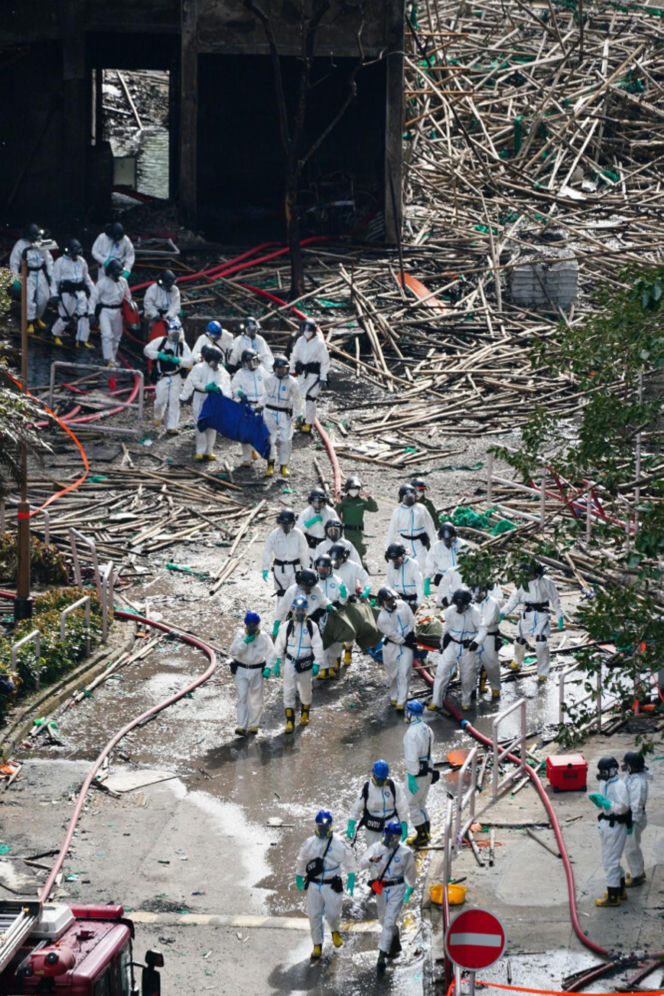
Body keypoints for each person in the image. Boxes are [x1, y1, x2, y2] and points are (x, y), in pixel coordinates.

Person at [295, 810, 357, 960]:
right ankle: (317, 945)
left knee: (333, 912)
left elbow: (349, 858)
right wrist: (299, 875)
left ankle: (335, 931)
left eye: (326, 827)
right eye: (320, 826)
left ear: (331, 826)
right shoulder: (310, 843)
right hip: (314, 885)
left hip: (331, 883)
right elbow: (302, 859)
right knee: (314, 915)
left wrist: (351, 876)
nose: (323, 829)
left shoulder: (339, 842)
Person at [360, 820, 416, 975]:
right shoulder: (376, 848)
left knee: (389, 921)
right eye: (389, 836)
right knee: (384, 921)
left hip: (397, 888)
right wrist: (371, 860)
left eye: (394, 837)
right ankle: (394, 942)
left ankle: (381, 956)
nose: (390, 840)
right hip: (381, 889)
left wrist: (410, 888)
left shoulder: (405, 852)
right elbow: (361, 863)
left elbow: (411, 872)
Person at [501, 559, 563, 681]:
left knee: (541, 643)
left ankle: (542, 672)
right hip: (527, 614)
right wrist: (502, 614)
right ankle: (517, 660)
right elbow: (512, 601)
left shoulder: (546, 583)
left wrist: (559, 615)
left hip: (542, 614)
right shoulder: (521, 584)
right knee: (519, 640)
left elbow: (555, 599)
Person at [273, 596, 324, 732]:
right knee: (288, 691)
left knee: (306, 690)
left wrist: (317, 663)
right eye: (298, 609)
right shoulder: (287, 626)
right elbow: (279, 644)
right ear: (293, 609)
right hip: (290, 662)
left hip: (306, 664)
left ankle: (305, 713)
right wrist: (277, 661)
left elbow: (318, 645)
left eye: (302, 610)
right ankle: (290, 721)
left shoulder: (312, 626)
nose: (300, 612)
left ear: (306, 610)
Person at [428, 587, 480, 712]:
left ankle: (465, 700)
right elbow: (447, 628)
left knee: (467, 676)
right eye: (457, 604)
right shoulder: (450, 611)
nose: (459, 608)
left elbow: (482, 630)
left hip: (468, 648)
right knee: (441, 671)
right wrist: (442, 645)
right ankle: (436, 701)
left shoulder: (475, 613)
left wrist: (476, 641)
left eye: (462, 605)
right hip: (452, 644)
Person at [588, 756, 631, 907]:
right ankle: (619, 890)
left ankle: (613, 897)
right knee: (609, 858)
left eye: (605, 771)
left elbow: (623, 807)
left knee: (610, 860)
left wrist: (608, 804)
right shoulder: (603, 783)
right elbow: (603, 806)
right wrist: (599, 802)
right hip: (606, 823)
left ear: (612, 770)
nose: (603, 774)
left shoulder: (619, 786)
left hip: (616, 825)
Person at [228, 611, 275, 736]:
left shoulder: (264, 637)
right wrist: (245, 642)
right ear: (246, 625)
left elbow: (271, 653)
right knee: (242, 697)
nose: (252, 628)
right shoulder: (240, 635)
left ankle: (254, 724)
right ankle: (241, 725)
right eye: (249, 625)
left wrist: (269, 668)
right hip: (242, 670)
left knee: (255, 698)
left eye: (254, 625)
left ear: (258, 624)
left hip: (256, 670)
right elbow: (233, 651)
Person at [180, 345, 231, 460]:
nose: (216, 364)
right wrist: (204, 387)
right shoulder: (198, 368)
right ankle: (200, 451)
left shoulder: (221, 370)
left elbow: (225, 383)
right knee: (200, 423)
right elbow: (193, 381)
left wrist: (220, 389)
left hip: (213, 399)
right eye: (215, 361)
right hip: (200, 397)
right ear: (208, 359)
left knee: (212, 425)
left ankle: (209, 450)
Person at [144, 318, 192, 434]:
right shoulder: (161, 341)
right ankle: (157, 416)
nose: (175, 335)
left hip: (176, 376)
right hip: (163, 376)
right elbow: (146, 350)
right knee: (161, 399)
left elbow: (190, 361)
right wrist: (159, 355)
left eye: (177, 332)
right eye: (173, 332)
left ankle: (172, 426)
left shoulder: (182, 345)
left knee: (174, 401)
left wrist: (178, 360)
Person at [347, 760, 409, 848]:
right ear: (373, 775)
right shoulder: (367, 788)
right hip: (373, 826)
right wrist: (351, 823)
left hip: (391, 823)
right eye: (377, 779)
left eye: (382, 779)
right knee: (373, 851)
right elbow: (357, 807)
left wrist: (404, 823)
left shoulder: (393, 786)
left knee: (391, 850)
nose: (380, 782)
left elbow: (402, 806)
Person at [376, 587, 416, 711]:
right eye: (388, 600)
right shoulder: (382, 619)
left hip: (406, 645)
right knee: (392, 673)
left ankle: (401, 701)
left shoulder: (403, 605)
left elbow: (411, 620)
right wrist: (405, 642)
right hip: (392, 647)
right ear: (382, 602)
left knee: (404, 673)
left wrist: (411, 634)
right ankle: (394, 696)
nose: (391, 601)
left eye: (392, 598)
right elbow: (393, 635)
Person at [403, 699, 437, 848]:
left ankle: (421, 836)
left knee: (412, 804)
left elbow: (411, 757)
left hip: (417, 773)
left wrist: (411, 775)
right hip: (428, 769)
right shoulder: (427, 729)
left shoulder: (411, 733)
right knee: (421, 802)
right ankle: (426, 832)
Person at [9, 223, 54, 332]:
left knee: (44, 298)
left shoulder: (41, 242)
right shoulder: (20, 244)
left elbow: (49, 259)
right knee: (28, 300)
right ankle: (30, 322)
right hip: (27, 274)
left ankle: (38, 318)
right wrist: (15, 279)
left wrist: (51, 273)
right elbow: (13, 262)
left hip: (40, 273)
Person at [263, 354, 301, 478]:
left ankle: (283, 466)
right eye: (278, 368)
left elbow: (297, 399)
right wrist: (259, 405)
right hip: (269, 411)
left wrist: (299, 414)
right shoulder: (268, 380)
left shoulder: (292, 382)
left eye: (283, 368)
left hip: (284, 412)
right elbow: (264, 395)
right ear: (274, 368)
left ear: (287, 369)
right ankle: (270, 465)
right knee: (270, 439)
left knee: (285, 439)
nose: (280, 371)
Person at [51, 239, 94, 348]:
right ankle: (55, 334)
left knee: (83, 315)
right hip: (67, 293)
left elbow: (86, 277)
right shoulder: (60, 262)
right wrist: (54, 294)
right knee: (65, 316)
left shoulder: (81, 261)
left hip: (80, 291)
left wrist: (94, 290)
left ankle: (81, 339)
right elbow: (55, 280)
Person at [290, 318, 330, 433]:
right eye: (304, 331)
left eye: (309, 330)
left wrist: (323, 377)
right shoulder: (300, 341)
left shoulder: (319, 343)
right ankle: (300, 419)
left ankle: (309, 423)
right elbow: (294, 355)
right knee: (298, 397)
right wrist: (291, 369)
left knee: (310, 398)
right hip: (302, 373)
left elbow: (325, 362)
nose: (307, 333)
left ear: (313, 331)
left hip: (314, 375)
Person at [90, 259, 132, 367]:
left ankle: (112, 358)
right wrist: (91, 313)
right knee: (107, 335)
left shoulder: (123, 282)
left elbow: (128, 296)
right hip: (105, 311)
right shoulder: (102, 283)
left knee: (117, 336)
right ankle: (107, 359)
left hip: (118, 311)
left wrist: (129, 311)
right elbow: (93, 298)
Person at [230, 348, 267, 467]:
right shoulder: (240, 373)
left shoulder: (262, 371)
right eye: (249, 361)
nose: (252, 364)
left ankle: (253, 449)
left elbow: (269, 385)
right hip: (247, 405)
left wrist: (264, 402)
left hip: (260, 405)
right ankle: (246, 458)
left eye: (254, 361)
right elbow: (234, 386)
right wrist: (240, 393)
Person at [313, 553, 348, 679]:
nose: (322, 571)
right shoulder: (314, 581)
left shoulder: (337, 581)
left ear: (330, 568)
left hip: (334, 614)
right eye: (320, 568)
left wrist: (343, 596)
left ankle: (334, 663)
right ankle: (324, 667)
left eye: (325, 568)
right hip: (319, 614)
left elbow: (343, 599)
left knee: (335, 642)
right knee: (320, 641)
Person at [262, 508, 309, 596]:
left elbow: (304, 552)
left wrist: (306, 569)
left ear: (293, 523)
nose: (286, 526)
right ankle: (281, 609)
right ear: (279, 523)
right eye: (284, 524)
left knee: (295, 593)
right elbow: (267, 551)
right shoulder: (274, 534)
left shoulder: (298, 534)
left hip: (295, 568)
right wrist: (265, 568)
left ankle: (293, 610)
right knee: (281, 594)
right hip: (279, 568)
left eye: (289, 524)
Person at [386, 484, 436, 565]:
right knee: (406, 569)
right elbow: (391, 532)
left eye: (411, 496)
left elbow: (430, 528)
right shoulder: (397, 512)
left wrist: (435, 546)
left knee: (422, 569)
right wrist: (387, 549)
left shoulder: (421, 509)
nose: (409, 498)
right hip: (404, 544)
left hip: (419, 544)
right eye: (407, 496)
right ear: (402, 497)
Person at [621, 751, 649, 888]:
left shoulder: (638, 782)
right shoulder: (633, 777)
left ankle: (636, 875)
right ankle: (637, 870)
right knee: (633, 846)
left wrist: (633, 821)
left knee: (631, 848)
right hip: (632, 816)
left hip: (634, 818)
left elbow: (637, 803)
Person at [335, 476, 378, 564]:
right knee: (345, 552)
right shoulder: (344, 501)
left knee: (359, 552)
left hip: (358, 533)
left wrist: (369, 497)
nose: (354, 491)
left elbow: (374, 509)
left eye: (356, 489)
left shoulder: (361, 501)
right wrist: (338, 503)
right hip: (346, 532)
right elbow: (335, 514)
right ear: (347, 489)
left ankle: (362, 569)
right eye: (352, 488)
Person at [273, 569, 329, 635]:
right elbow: (282, 607)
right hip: (296, 618)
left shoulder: (317, 589)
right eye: (307, 586)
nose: (309, 588)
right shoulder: (292, 591)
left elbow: (323, 600)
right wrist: (277, 623)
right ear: (301, 583)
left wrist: (329, 605)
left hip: (312, 619)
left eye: (311, 586)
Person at [473, 584, 502, 700]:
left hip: (489, 637)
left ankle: (495, 688)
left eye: (480, 592)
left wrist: (475, 624)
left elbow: (488, 621)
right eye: (475, 593)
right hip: (475, 636)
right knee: (473, 664)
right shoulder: (473, 603)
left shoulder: (493, 604)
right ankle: (472, 689)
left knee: (492, 664)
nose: (477, 595)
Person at [424, 523, 466, 605]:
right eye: (445, 540)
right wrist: (427, 581)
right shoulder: (436, 547)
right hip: (443, 578)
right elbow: (430, 564)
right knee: (442, 603)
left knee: (460, 601)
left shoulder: (462, 545)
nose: (448, 542)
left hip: (459, 578)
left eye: (450, 539)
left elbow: (471, 561)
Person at [296, 488, 336, 553]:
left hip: (326, 544)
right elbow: (298, 530)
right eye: (315, 502)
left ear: (324, 502)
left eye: (320, 502)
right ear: (311, 501)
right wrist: (310, 522)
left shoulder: (330, 512)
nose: (317, 505)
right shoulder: (306, 513)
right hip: (310, 545)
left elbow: (338, 529)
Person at [385, 543, 424, 610]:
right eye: (393, 559)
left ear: (403, 555)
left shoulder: (413, 564)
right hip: (399, 599)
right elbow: (389, 583)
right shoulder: (390, 565)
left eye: (397, 558)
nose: (395, 561)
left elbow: (419, 584)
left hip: (413, 599)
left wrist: (419, 602)